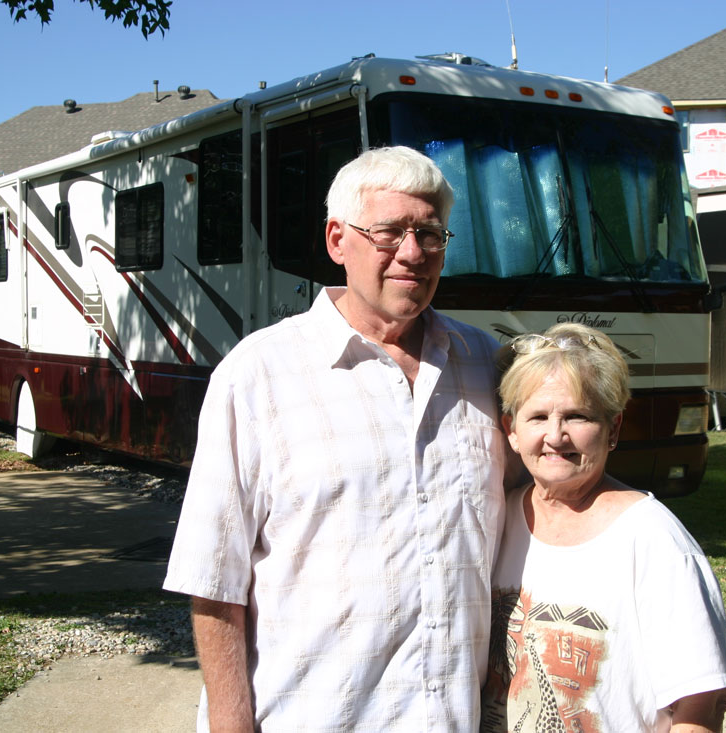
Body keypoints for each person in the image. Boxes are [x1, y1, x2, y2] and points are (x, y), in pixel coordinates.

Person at [163, 146, 507, 732]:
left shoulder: (485, 366)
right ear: (336, 240)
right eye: (389, 232)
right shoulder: (259, 375)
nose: (413, 253)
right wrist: (229, 721)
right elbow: (213, 575)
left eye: (430, 233)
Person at [481, 322, 726, 732]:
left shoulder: (653, 539)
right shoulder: (496, 518)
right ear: (512, 430)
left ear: (613, 428)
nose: (555, 436)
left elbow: (698, 710)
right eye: (538, 416)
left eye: (577, 416)